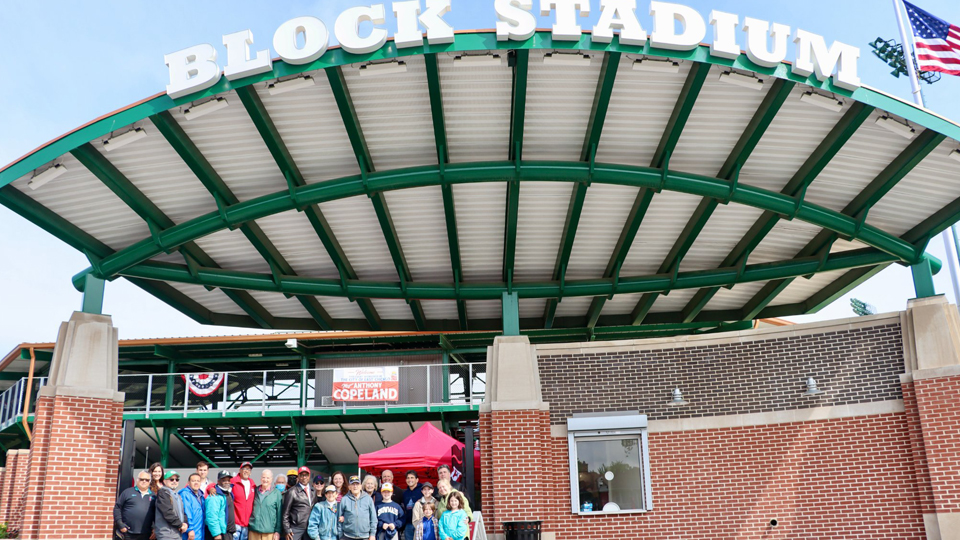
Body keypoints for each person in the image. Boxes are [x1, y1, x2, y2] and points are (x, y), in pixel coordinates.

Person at [114, 470, 156, 540]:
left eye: (147, 480)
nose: (144, 481)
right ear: (137, 479)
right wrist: (120, 524)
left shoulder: (153, 495)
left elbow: (156, 513)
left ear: (150, 482)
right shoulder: (127, 492)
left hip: (146, 534)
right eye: (142, 479)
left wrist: (154, 528)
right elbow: (117, 508)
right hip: (128, 533)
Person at [337, 476, 376, 540]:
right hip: (347, 536)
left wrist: (372, 534)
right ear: (349, 487)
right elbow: (339, 519)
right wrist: (341, 536)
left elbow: (373, 518)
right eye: (353, 484)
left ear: (360, 486)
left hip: (365, 536)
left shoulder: (368, 499)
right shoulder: (344, 499)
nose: (355, 486)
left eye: (357, 484)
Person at [282, 466, 316, 540]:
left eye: (306, 475)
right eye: (302, 475)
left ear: (309, 476)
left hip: (310, 528)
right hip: (295, 528)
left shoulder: (313, 492)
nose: (304, 477)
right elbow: (285, 513)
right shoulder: (292, 492)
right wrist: (287, 529)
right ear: (298, 477)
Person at [250, 469, 283, 540]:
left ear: (271, 480)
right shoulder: (254, 491)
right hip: (253, 531)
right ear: (260, 478)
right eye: (263, 477)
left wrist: (277, 531)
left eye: (268, 478)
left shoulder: (276, 493)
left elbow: (279, 514)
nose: (265, 480)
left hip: (269, 533)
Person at [155, 470, 188, 540]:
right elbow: (167, 512)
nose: (174, 481)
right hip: (166, 534)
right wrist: (180, 524)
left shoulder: (178, 496)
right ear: (164, 481)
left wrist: (185, 523)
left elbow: (182, 512)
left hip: (177, 533)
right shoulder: (163, 493)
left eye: (177, 479)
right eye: (171, 479)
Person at [232, 462, 256, 540]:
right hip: (235, 522)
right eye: (244, 468)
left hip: (246, 524)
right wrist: (211, 487)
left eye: (248, 469)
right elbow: (218, 485)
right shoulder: (233, 481)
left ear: (250, 472)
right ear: (240, 470)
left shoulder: (253, 484)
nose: (246, 471)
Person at [181, 473, 206, 540]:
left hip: (199, 533)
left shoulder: (201, 496)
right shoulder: (185, 494)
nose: (196, 483)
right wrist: (190, 530)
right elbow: (186, 513)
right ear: (188, 482)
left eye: (198, 481)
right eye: (193, 481)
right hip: (190, 534)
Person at [213, 471, 238, 540]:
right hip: (221, 533)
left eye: (228, 480)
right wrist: (216, 533)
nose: (227, 482)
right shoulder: (214, 495)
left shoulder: (229, 493)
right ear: (218, 481)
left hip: (229, 532)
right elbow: (212, 516)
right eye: (224, 480)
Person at [400, 471, 422, 540]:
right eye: (408, 478)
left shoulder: (422, 490)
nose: (410, 480)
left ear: (417, 479)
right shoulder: (405, 493)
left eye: (412, 478)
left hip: (420, 523)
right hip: (408, 524)